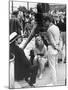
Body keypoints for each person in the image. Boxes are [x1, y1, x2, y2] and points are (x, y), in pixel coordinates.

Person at [42, 16, 61, 85]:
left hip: (52, 48)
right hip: (57, 48)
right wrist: (59, 48)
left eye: (44, 22)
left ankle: (53, 82)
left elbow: (52, 42)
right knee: (55, 66)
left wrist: (46, 39)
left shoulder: (49, 29)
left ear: (48, 21)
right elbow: (59, 38)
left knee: (52, 67)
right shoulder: (56, 27)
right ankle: (55, 80)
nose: (44, 24)